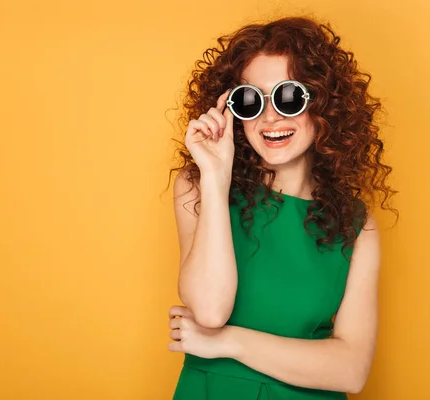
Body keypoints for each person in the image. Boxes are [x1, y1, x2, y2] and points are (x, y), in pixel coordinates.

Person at [165, 15, 397, 400]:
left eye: (289, 96)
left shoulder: (356, 225)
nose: (270, 117)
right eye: (250, 100)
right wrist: (216, 178)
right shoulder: (199, 187)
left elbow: (352, 371)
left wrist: (227, 342)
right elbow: (208, 310)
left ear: (323, 103)